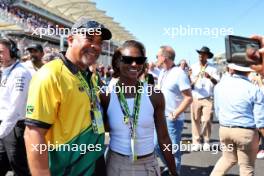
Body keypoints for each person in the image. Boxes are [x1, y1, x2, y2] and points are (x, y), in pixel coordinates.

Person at [24, 17, 112, 176]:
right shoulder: (50, 75)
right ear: (71, 39)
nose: (96, 46)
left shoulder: (89, 75)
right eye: (90, 39)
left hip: (94, 162)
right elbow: (33, 134)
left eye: (100, 42)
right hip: (68, 169)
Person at [100, 40, 178, 176]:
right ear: (118, 62)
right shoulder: (106, 95)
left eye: (139, 60)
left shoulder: (155, 95)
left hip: (147, 165)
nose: (134, 64)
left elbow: (164, 138)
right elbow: (101, 130)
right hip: (116, 165)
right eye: (128, 60)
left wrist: (173, 171)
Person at [211, 63, 264, 176]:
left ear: (231, 69)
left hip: (225, 129)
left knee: (227, 159)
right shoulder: (254, 89)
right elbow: (260, 120)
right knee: (246, 167)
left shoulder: (220, 86)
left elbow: (217, 110)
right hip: (246, 131)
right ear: (249, 71)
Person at [155, 46, 193, 174]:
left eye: (157, 56)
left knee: (172, 152)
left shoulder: (179, 73)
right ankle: (171, 168)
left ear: (164, 58)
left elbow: (188, 97)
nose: (155, 59)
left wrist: (176, 113)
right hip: (159, 118)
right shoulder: (163, 72)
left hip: (172, 121)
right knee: (156, 147)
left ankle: (173, 171)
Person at [0, 38, 31, 175]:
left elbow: (15, 108)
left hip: (14, 128)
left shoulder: (20, 73)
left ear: (13, 52)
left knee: (20, 169)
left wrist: (1, 132)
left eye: (1, 52)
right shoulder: (4, 70)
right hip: (4, 126)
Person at [190, 46, 219, 151]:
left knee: (207, 120)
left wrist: (210, 77)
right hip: (195, 96)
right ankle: (196, 141)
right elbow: (190, 84)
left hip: (207, 97)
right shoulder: (193, 67)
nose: (200, 56)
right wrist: (190, 79)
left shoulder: (213, 68)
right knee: (195, 120)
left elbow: (217, 82)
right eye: (199, 54)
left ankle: (206, 140)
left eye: (203, 54)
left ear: (207, 56)